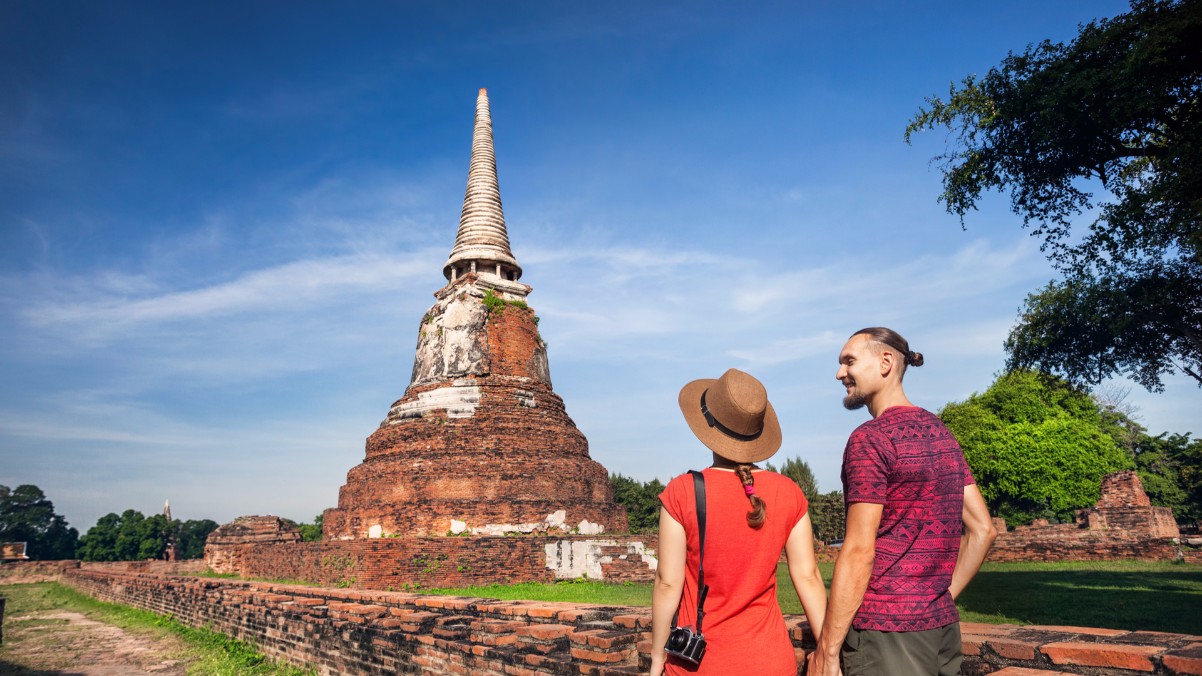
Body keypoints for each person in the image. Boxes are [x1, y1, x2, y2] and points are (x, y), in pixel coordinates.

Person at [808, 328, 997, 676]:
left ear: (885, 362)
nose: (839, 373)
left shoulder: (870, 439)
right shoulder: (942, 434)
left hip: (885, 635)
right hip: (941, 628)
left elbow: (859, 550)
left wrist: (827, 650)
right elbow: (983, 530)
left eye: (849, 361)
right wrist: (935, 597)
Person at [651, 368, 829, 675]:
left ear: (708, 426)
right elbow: (809, 576)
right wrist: (829, 653)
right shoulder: (788, 492)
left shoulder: (682, 492)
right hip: (770, 660)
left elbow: (668, 583)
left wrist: (656, 660)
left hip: (700, 665)